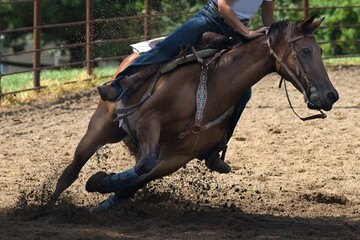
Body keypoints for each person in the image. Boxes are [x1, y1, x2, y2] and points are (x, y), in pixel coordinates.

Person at [98, 0, 276, 173]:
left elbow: (268, 16)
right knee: (166, 49)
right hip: (212, 20)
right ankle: (118, 85)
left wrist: (279, 35)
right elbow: (223, 6)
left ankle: (215, 150)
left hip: (237, 31)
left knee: (243, 92)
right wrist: (248, 33)